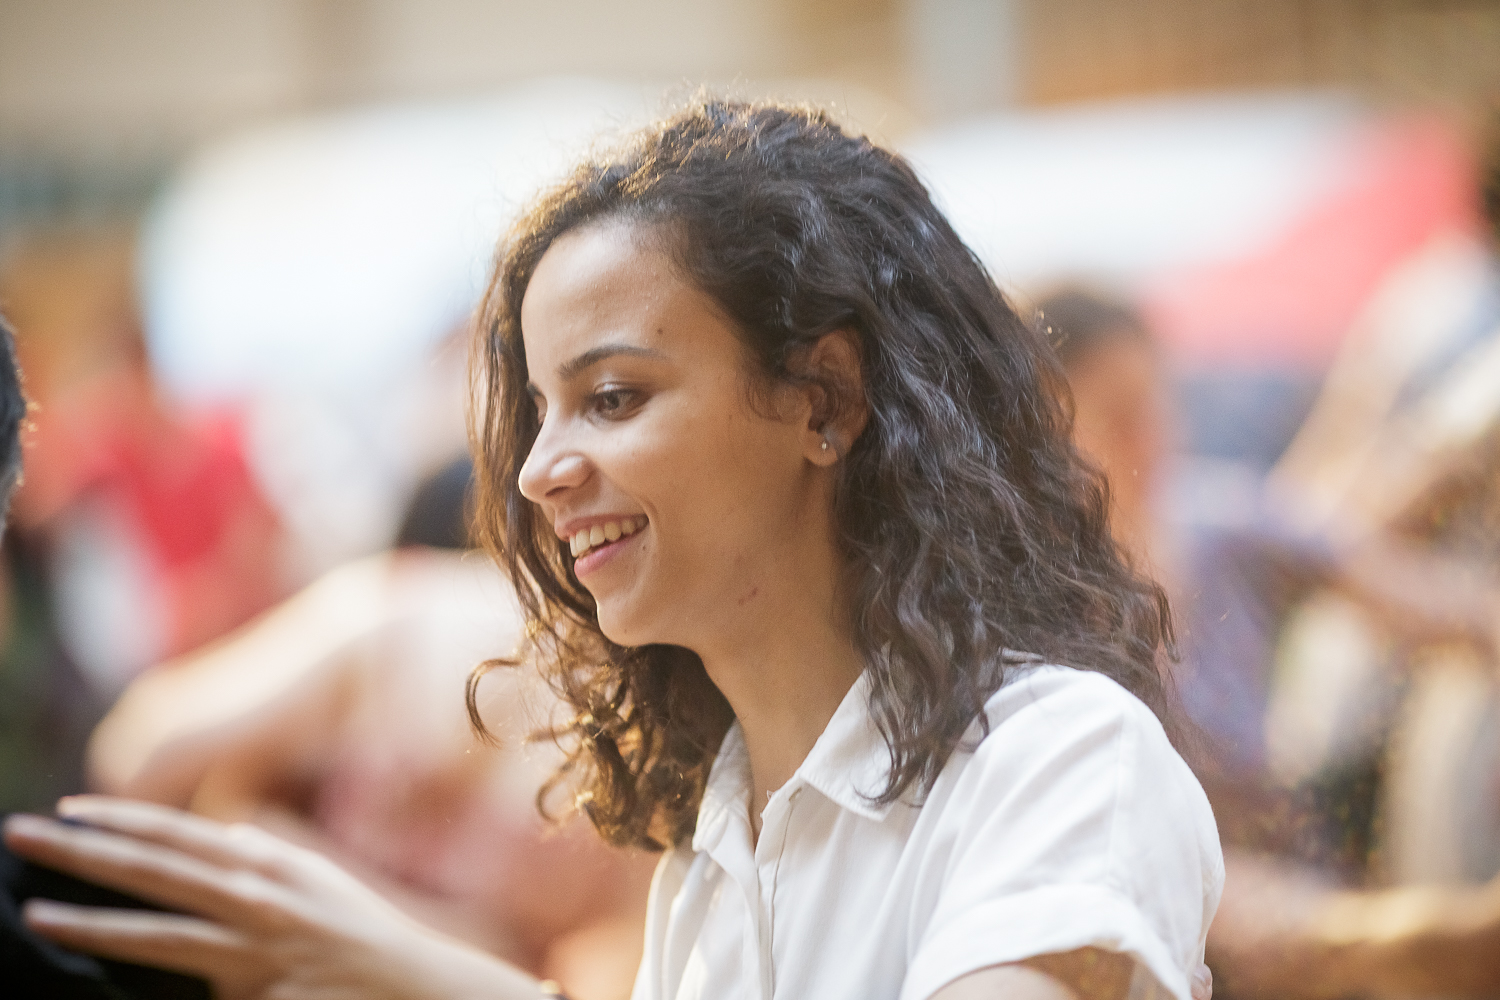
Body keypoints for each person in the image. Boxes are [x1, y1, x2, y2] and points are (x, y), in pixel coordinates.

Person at [4, 100, 1222, 1000]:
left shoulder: (1061, 759)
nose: (540, 469)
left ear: (825, 402)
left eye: (614, 398)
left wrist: (420, 966)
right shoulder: (717, 844)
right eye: (538, 411)